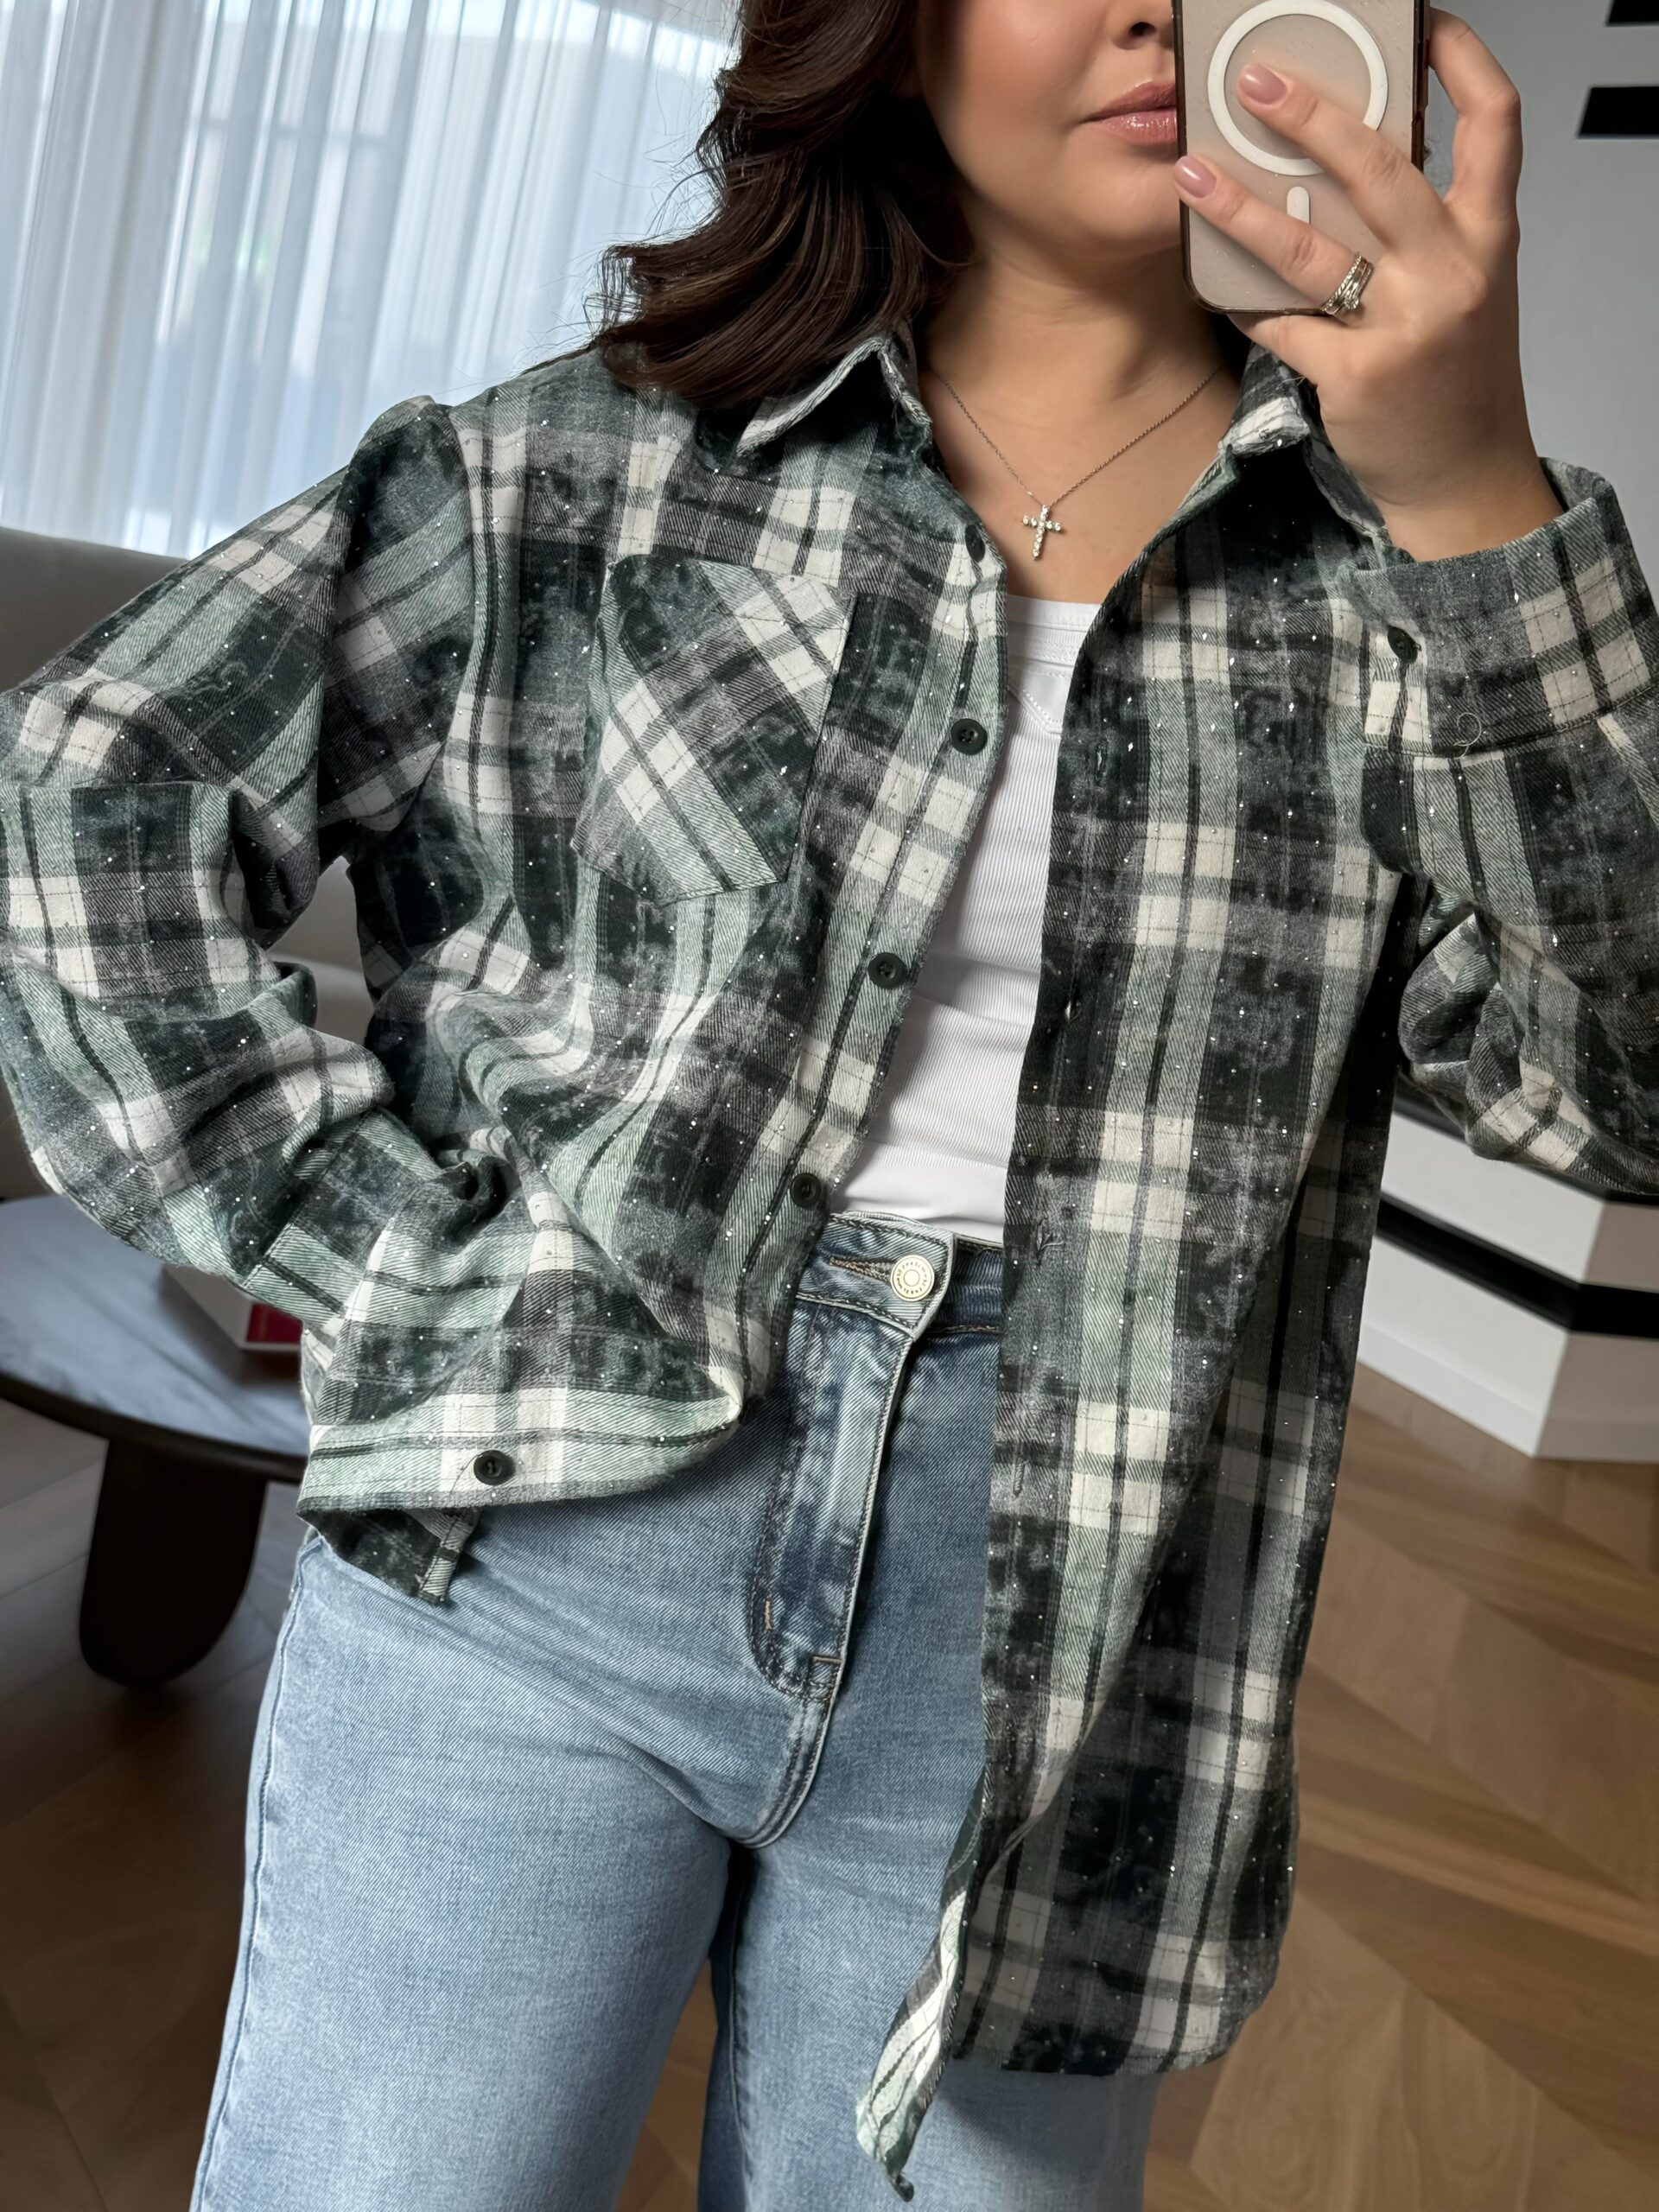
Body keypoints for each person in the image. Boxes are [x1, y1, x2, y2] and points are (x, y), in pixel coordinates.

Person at [1, 2, 1655, 2207]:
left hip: (1069, 1658)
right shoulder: (582, 468)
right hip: (542, 1541)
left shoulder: (1417, 575)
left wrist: (1474, 496)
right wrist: (387, 1247)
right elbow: (85, 793)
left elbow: (1623, 1095)